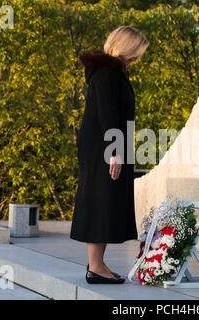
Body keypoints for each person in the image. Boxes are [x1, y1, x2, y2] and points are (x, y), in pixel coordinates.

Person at [70, 26, 149, 284]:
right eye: (137, 51)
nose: (138, 58)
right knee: (99, 201)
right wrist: (114, 152)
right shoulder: (106, 74)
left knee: (103, 201)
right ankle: (95, 267)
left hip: (108, 145)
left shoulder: (112, 72)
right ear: (127, 47)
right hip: (104, 148)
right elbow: (107, 113)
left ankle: (98, 265)